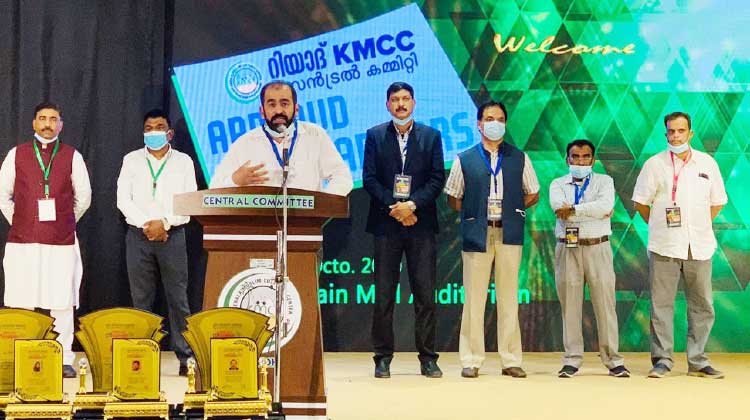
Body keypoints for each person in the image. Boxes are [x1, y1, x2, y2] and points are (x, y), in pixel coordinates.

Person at [444, 101, 539, 379]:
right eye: (488, 118)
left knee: (509, 298)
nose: (494, 123)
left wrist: (512, 209)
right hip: (477, 233)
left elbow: (533, 192)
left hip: (509, 232)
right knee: (474, 299)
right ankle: (471, 359)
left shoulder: (520, 158)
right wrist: (475, 212)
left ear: (505, 124)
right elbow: (453, 197)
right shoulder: (464, 158)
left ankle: (510, 360)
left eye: (499, 119)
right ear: (479, 124)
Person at [0, 102, 92, 379]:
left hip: (61, 241)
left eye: (53, 119)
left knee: (61, 300)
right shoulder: (16, 154)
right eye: (42, 118)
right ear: (34, 123)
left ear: (60, 125)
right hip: (22, 242)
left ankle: (63, 357)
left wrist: (63, 221)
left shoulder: (72, 156)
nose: (47, 124)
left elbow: (84, 198)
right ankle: (22, 354)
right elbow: (3, 196)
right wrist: (22, 220)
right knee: (22, 298)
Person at [632, 111, 727, 379]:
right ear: (666, 134)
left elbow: (718, 201)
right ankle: (662, 360)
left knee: (702, 305)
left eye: (681, 131)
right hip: (665, 246)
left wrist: (698, 224)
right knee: (661, 305)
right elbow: (640, 202)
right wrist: (659, 226)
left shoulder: (707, 163)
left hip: (700, 245)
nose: (676, 136)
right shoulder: (654, 164)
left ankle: (698, 360)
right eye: (671, 131)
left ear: (690, 133)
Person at [363, 82, 445, 378]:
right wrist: (395, 208)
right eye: (395, 99)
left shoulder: (431, 136)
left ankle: (428, 358)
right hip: (386, 225)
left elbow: (437, 179)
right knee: (384, 296)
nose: (401, 104)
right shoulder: (374, 135)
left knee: (425, 295)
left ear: (414, 103)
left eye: (406, 99)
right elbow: (370, 179)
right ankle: (382, 358)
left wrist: (411, 206)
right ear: (387, 104)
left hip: (420, 224)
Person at [116, 109, 197, 377]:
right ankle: (143, 356)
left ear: (169, 133)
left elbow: (189, 200)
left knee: (178, 298)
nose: (153, 132)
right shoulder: (131, 160)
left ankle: (185, 356)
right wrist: (147, 225)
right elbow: (123, 200)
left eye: (159, 127)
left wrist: (165, 223)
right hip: (138, 235)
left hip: (173, 235)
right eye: (148, 128)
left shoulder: (183, 161)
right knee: (141, 299)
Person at [549, 139, 629, 378]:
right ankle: (571, 360)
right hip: (568, 248)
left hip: (598, 247)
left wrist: (574, 209)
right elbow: (558, 209)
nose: (580, 161)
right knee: (570, 307)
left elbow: (605, 205)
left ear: (593, 160)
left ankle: (613, 360)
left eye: (585, 157)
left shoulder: (605, 181)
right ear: (567, 159)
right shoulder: (557, 183)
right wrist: (593, 211)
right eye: (575, 157)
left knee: (606, 306)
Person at [210, 80, 352, 195]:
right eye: (271, 104)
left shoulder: (315, 135)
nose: (278, 110)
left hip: (307, 220)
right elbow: (214, 189)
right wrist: (235, 180)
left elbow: (342, 176)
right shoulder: (244, 143)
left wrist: (322, 203)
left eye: (284, 104)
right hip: (260, 220)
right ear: (262, 111)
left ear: (296, 109)